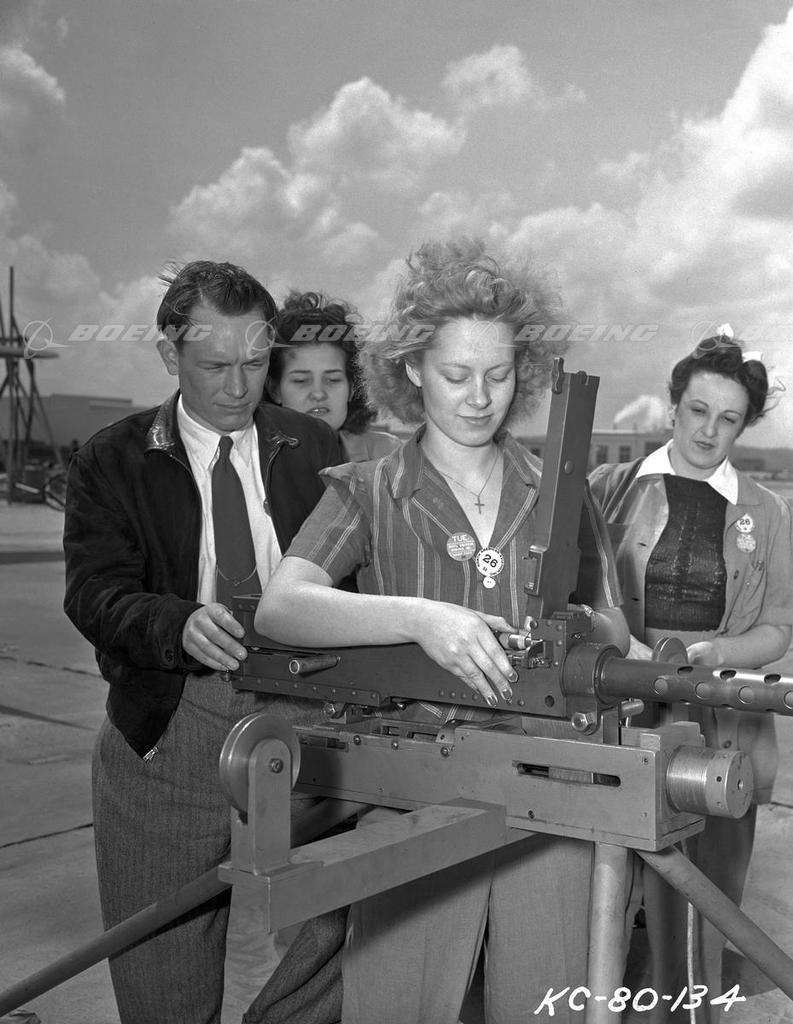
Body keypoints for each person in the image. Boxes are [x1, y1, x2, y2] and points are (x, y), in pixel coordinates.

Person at [255, 238, 629, 1024]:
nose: (479, 397)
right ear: (413, 369)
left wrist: (577, 629)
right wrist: (420, 618)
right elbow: (280, 607)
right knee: (399, 1004)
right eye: (456, 375)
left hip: (552, 793)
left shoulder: (559, 490)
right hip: (413, 794)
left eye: (499, 374)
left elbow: (616, 628)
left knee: (549, 1005)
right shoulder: (369, 491)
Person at [63, 260, 343, 1024]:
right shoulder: (112, 458)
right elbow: (93, 593)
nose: (238, 387)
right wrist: (174, 622)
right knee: (160, 963)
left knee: (360, 908)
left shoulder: (314, 445)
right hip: (172, 719)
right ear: (169, 355)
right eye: (215, 366)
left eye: (255, 363)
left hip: (304, 709)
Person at [589, 332, 793, 1020]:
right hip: (618, 712)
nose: (708, 431)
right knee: (601, 888)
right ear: (673, 405)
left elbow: (778, 628)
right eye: (698, 410)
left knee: (706, 898)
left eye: (728, 418)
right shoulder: (607, 491)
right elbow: (572, 598)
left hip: (720, 721)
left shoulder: (767, 512)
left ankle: (683, 1011)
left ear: (744, 425)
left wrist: (717, 651)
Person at [267, 290, 401, 462]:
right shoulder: (255, 459)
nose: (318, 394)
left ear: (352, 388)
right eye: (301, 381)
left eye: (332, 380)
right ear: (275, 390)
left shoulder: (387, 454)